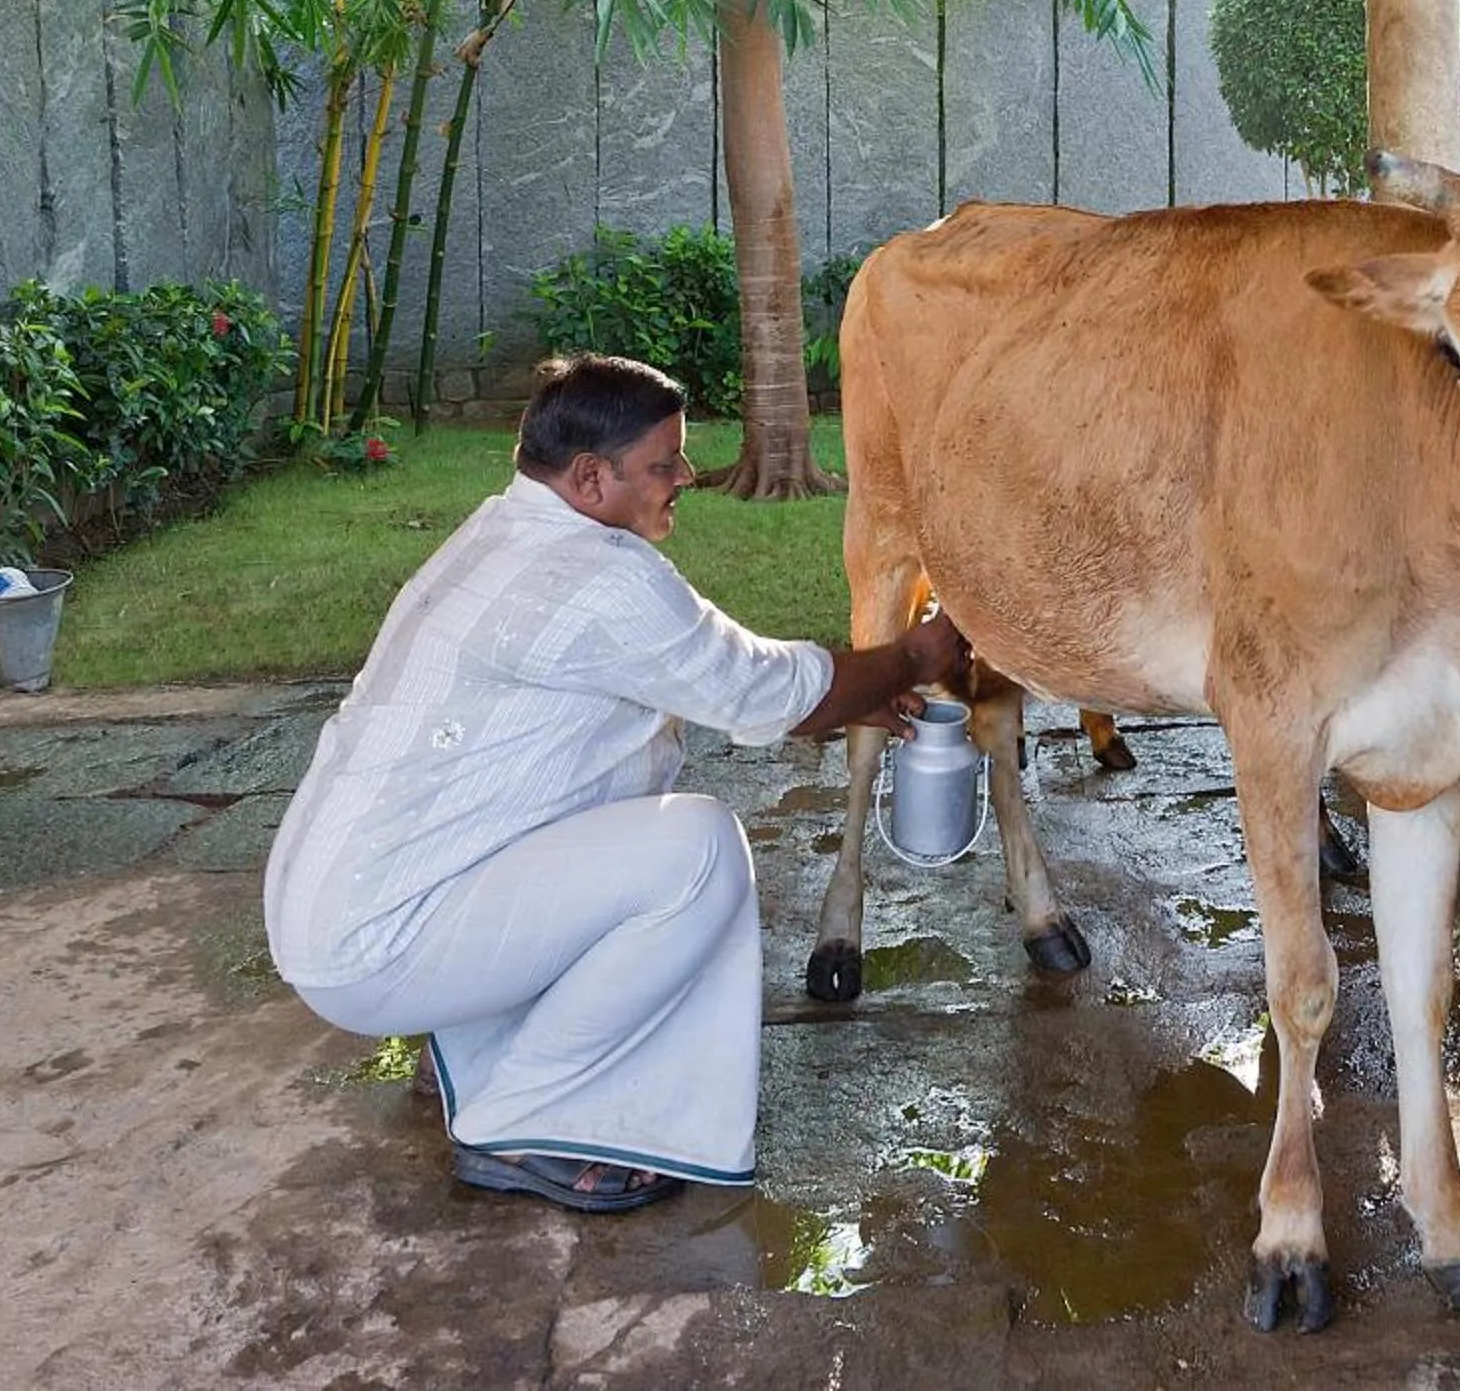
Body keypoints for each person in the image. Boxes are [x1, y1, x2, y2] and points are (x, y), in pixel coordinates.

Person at [264, 353, 966, 1216]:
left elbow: (731, 686)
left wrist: (851, 689)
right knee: (695, 851)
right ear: (591, 477)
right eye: (664, 463)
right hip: (375, 945)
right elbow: (764, 693)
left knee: (623, 799)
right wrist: (911, 656)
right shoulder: (597, 579)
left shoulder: (497, 532)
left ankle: (482, 1046)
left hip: (341, 911)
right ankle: (526, 1123)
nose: (686, 477)